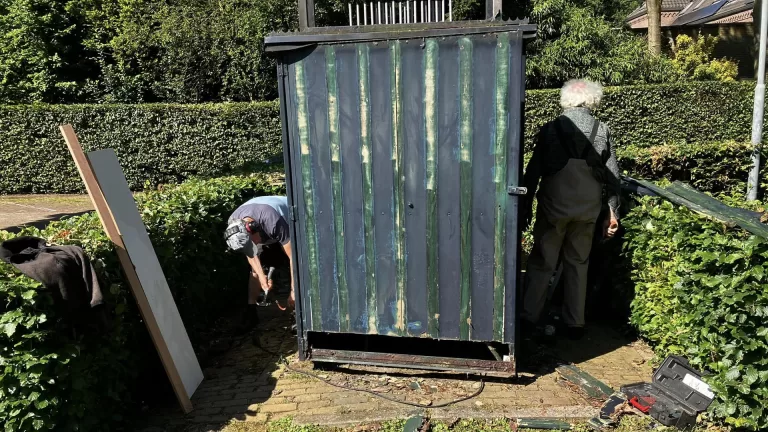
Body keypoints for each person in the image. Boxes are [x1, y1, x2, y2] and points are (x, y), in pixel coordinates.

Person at [520, 79, 620, 340]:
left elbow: (533, 172)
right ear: (592, 100)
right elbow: (613, 177)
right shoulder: (603, 129)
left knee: (543, 260)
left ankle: (530, 316)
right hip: (587, 208)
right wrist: (612, 212)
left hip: (555, 206)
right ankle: (575, 322)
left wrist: (525, 206)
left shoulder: (551, 129)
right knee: (578, 262)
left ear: (565, 100)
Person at [224, 195, 295, 309]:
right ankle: (251, 309)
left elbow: (294, 258)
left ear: (253, 228)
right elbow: (251, 256)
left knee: (290, 261)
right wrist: (263, 279)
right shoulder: (234, 224)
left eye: (252, 243)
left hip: (287, 219)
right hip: (263, 223)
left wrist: (294, 291)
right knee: (255, 272)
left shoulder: (273, 221)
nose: (255, 245)